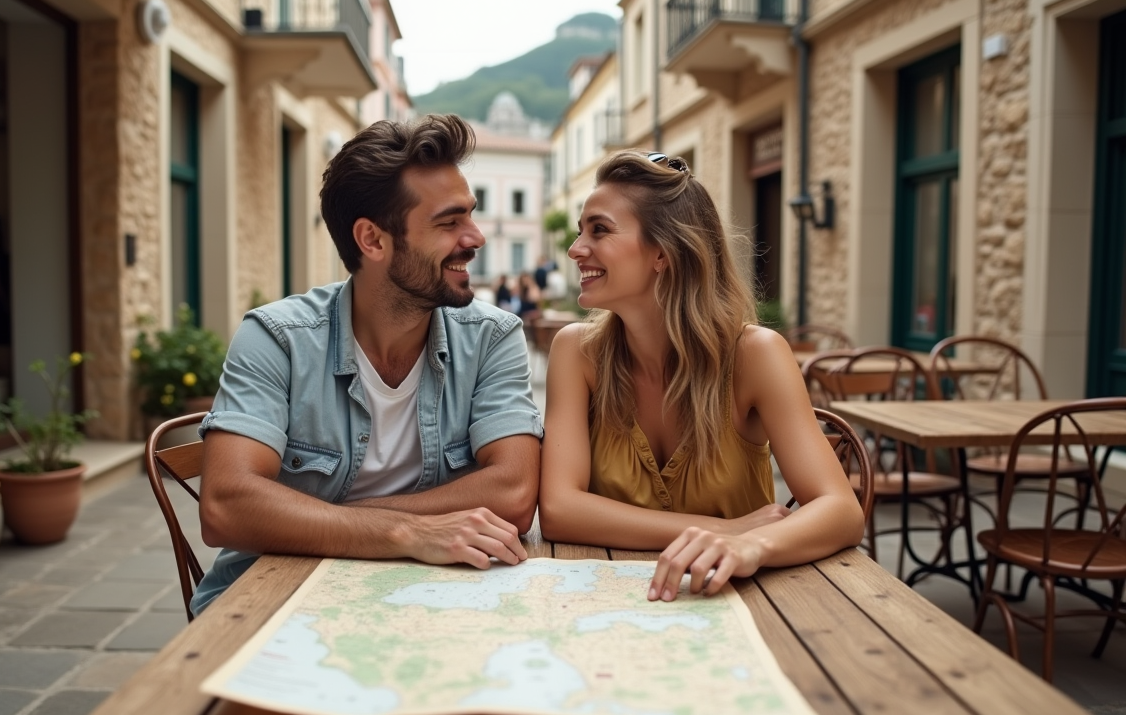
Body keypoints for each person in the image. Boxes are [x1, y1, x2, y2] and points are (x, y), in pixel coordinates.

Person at [190, 115, 544, 616]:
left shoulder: (493, 337)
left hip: (432, 597)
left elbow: (512, 491)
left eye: (470, 214)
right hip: (273, 598)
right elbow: (226, 506)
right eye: (449, 222)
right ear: (373, 240)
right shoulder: (278, 339)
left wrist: (314, 519)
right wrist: (405, 531)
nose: (476, 237)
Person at [538, 150, 864, 603]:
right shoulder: (577, 352)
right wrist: (724, 529)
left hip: (741, 601)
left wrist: (752, 545)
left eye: (600, 230)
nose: (575, 249)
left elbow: (842, 511)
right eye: (580, 232)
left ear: (662, 253)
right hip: (603, 599)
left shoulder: (754, 356)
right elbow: (558, 509)